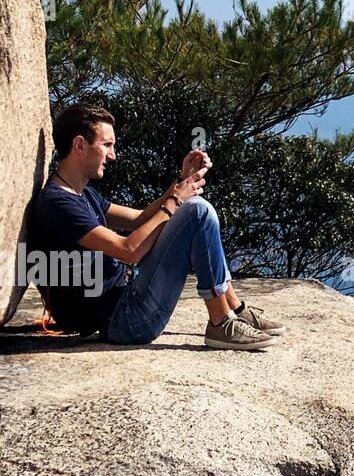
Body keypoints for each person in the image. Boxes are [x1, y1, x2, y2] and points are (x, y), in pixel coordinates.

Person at [27, 103, 285, 350]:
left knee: (192, 207)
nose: (112, 155)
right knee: (197, 210)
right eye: (107, 145)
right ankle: (220, 322)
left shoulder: (82, 194)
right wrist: (176, 200)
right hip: (125, 321)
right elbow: (128, 250)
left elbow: (139, 219)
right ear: (80, 145)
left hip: (126, 302)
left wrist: (181, 183)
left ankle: (235, 309)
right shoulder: (58, 204)